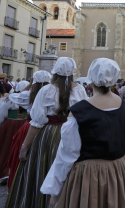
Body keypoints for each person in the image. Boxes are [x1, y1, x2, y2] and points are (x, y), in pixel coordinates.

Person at [41, 58, 125, 208]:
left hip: (91, 175)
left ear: (91, 79)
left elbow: (66, 156)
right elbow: (124, 139)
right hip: (121, 170)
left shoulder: (79, 112)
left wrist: (54, 192)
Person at [6, 58, 87, 208]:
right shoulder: (80, 90)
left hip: (48, 135)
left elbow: (36, 122)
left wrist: (24, 147)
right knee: (69, 170)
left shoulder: (46, 90)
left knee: (42, 168)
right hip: (73, 135)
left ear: (55, 72)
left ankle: (40, 202)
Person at [6, 71, 51, 191]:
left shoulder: (29, 94)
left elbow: (17, 95)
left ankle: (21, 184)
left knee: (23, 155)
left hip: (29, 127)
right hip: (47, 129)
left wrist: (30, 84)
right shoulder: (51, 94)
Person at [0, 81, 29, 184]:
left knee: (6, 147)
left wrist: (0, 125)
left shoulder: (12, 100)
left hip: (10, 126)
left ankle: (5, 172)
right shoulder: (30, 100)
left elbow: (0, 117)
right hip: (25, 126)